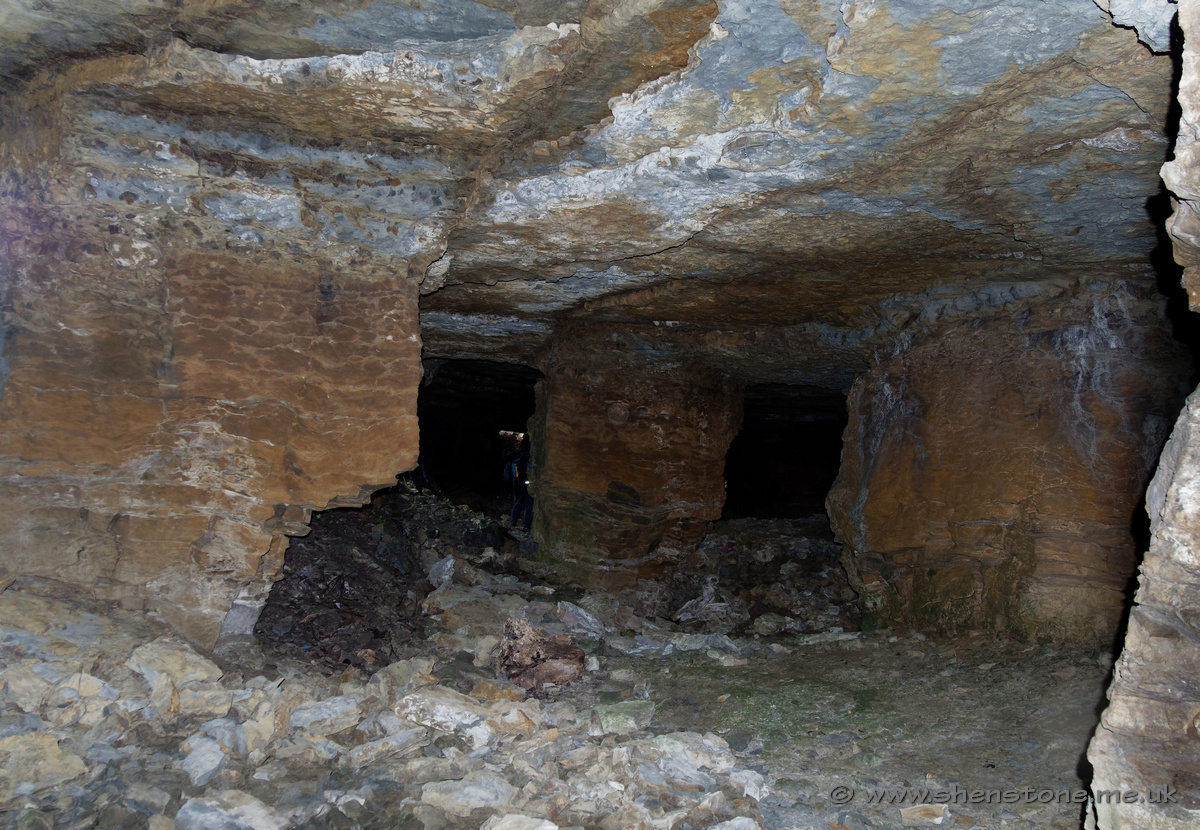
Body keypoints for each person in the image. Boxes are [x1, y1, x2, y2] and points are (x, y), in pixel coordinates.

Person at [508, 436, 533, 532]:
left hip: (517, 484)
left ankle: (512, 523)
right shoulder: (527, 456)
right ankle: (526, 525)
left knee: (517, 504)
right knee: (528, 505)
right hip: (526, 484)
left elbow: (512, 472)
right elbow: (529, 469)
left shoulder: (515, 457)